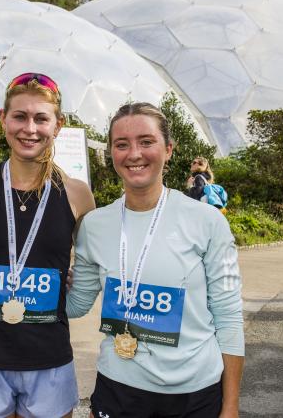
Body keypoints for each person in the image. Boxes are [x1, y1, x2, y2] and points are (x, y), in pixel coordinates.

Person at [68, 102, 244, 418]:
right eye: (122, 145)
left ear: (169, 150)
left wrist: (230, 406)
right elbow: (75, 304)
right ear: (111, 153)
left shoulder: (209, 222)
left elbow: (228, 317)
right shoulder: (94, 225)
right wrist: (11, 287)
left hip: (194, 393)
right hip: (119, 388)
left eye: (146, 142)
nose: (134, 153)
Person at [0, 72, 95, 418]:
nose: (29, 129)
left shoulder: (77, 193)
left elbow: (92, 269)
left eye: (41, 118)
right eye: (19, 116)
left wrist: (71, 281)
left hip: (49, 357)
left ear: (58, 125)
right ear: (3, 119)